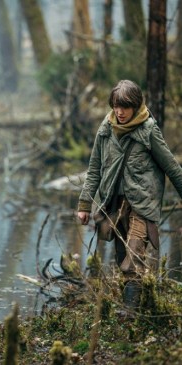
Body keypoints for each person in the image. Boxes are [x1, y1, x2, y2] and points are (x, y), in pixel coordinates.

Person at [77, 80, 182, 308]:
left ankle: (129, 316)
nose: (119, 112)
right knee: (121, 259)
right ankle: (141, 306)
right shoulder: (106, 129)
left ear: (135, 105)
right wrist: (84, 205)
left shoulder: (148, 130)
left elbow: (172, 167)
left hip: (142, 205)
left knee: (133, 259)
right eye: (116, 106)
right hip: (114, 205)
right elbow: (94, 168)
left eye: (124, 107)